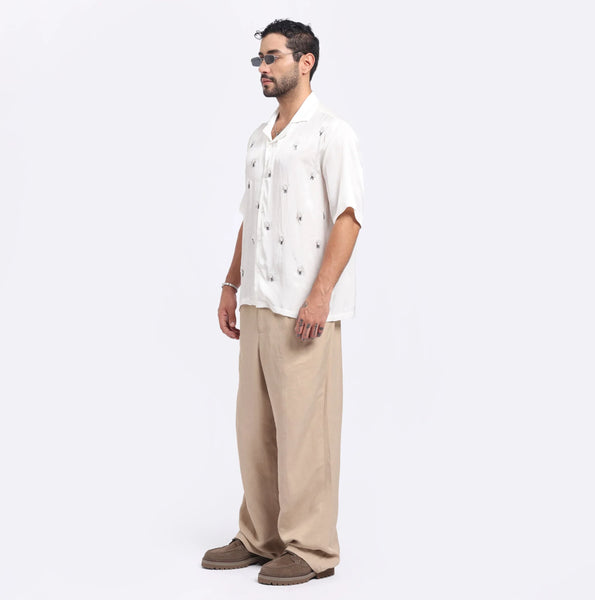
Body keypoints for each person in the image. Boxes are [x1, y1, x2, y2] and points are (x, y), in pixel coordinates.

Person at [201, 18, 364, 586]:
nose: (263, 69)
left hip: (303, 308)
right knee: (255, 429)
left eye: (272, 58)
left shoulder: (332, 134)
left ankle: (312, 548)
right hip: (257, 300)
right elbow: (250, 218)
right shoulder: (258, 139)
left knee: (305, 431)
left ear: (306, 61)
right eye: (259, 60)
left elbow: (348, 220)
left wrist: (320, 296)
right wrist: (230, 285)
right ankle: (260, 538)